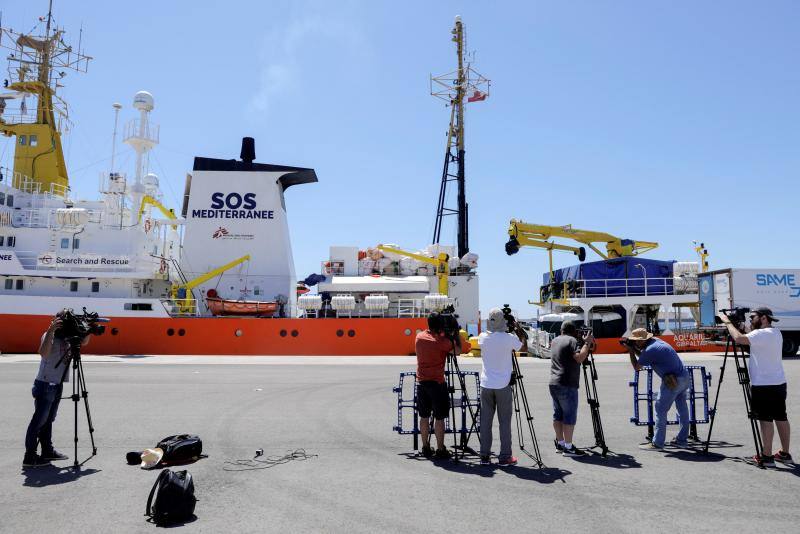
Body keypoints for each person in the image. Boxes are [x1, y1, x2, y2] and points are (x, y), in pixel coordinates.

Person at [718, 307, 791, 467]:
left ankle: (767, 456)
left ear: (764, 318)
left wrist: (729, 323)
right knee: (781, 416)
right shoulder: (775, 333)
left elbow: (738, 339)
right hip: (778, 382)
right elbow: (750, 333)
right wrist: (742, 325)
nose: (750, 320)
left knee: (765, 420)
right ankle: (785, 453)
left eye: (753, 317)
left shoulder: (759, 335)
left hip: (763, 385)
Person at [23, 311, 91, 468]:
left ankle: (47, 451)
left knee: (49, 420)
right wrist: (52, 330)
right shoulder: (49, 334)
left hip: (57, 383)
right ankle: (29, 457)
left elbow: (84, 342)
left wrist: (88, 329)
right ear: (55, 320)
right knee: (38, 421)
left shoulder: (67, 337)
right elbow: (43, 353)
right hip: (45, 384)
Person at [415, 312, 469, 460]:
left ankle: (425, 447)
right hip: (437, 384)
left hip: (421, 382)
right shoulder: (440, 342)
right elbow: (457, 351)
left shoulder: (419, 337)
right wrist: (455, 333)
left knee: (424, 416)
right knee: (439, 418)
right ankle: (440, 449)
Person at [476, 308, 527, 466]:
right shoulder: (509, 338)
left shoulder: (482, 337)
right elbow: (523, 348)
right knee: (504, 422)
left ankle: (484, 455)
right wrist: (518, 328)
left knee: (485, 422)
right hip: (503, 384)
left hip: (486, 384)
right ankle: (505, 456)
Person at [626, 328, 690, 451]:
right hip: (684, 378)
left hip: (673, 381)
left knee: (660, 409)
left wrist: (630, 350)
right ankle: (682, 440)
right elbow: (646, 358)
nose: (635, 343)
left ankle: (658, 443)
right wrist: (634, 349)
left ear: (641, 341)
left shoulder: (650, 349)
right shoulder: (656, 342)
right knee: (682, 409)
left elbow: (637, 366)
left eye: (636, 341)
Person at [549, 321, 593, 457]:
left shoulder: (555, 340)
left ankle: (560, 443)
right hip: (567, 383)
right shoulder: (572, 341)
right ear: (573, 331)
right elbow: (579, 358)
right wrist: (587, 343)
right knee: (569, 416)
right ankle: (568, 447)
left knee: (558, 415)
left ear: (561, 330)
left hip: (553, 382)